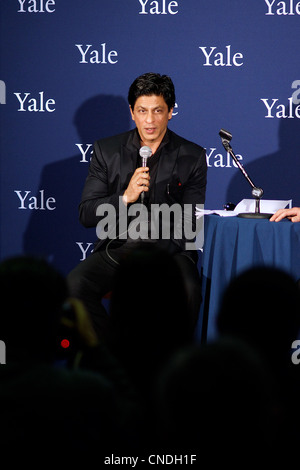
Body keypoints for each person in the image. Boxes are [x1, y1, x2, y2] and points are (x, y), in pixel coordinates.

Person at [67, 72, 207, 342]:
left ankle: (168, 368)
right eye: (142, 111)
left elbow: (190, 224)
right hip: (118, 249)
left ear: (170, 112)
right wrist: (125, 197)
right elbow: (86, 213)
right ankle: (114, 358)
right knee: (74, 286)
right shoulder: (107, 150)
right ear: (131, 112)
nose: (150, 120)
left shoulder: (192, 156)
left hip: (170, 251)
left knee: (189, 290)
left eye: (158, 111)